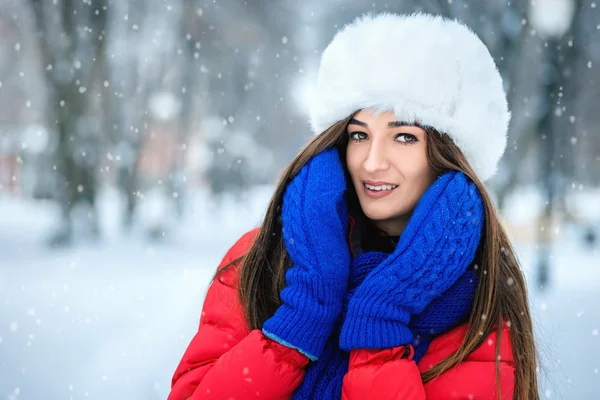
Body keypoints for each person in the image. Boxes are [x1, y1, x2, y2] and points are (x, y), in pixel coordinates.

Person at [168, 12, 539, 399]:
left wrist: (380, 321)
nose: (372, 161)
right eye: (359, 134)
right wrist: (301, 317)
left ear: (451, 154)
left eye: (405, 138)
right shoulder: (264, 255)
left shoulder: (480, 295)